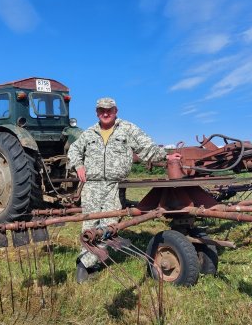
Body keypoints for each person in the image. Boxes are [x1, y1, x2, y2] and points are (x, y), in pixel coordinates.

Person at [67, 97, 181, 283]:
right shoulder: (88, 133)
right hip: (92, 186)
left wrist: (166, 156)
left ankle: (88, 262)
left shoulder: (127, 129)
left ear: (116, 111)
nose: (105, 113)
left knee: (110, 225)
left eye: (109, 110)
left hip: (114, 185)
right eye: (102, 110)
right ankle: (86, 264)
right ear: (97, 112)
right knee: (89, 225)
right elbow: (73, 151)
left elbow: (146, 147)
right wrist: (78, 165)